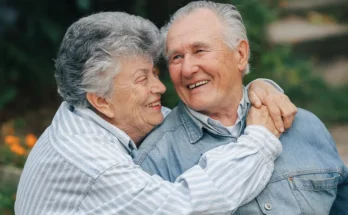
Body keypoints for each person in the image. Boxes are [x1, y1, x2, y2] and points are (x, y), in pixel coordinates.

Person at [15, 11, 296, 215]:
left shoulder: (91, 112)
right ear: (101, 100)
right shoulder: (92, 160)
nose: (160, 87)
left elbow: (205, 110)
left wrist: (258, 89)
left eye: (155, 73)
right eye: (142, 79)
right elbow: (185, 206)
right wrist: (259, 141)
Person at [134, 1, 348, 215]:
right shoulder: (155, 161)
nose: (188, 69)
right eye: (176, 57)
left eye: (200, 50)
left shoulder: (306, 127)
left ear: (241, 54)